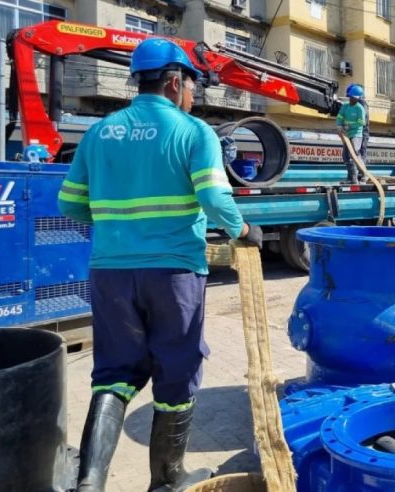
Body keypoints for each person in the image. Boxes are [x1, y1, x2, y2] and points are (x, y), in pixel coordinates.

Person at [57, 38, 262, 491]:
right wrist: (244, 231)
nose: (193, 96)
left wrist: (118, 224)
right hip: (173, 274)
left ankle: (89, 484)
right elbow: (213, 197)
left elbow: (69, 204)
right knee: (177, 372)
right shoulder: (193, 132)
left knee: (114, 374)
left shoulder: (100, 132)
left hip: (110, 272)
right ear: (174, 81)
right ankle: (165, 482)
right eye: (192, 86)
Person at [336, 84, 366, 184]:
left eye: (354, 98)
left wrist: (349, 126)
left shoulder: (360, 109)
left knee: (354, 154)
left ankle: (362, 176)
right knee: (345, 156)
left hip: (356, 134)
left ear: (358, 98)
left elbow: (361, 122)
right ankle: (351, 177)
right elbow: (340, 117)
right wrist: (339, 126)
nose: (352, 100)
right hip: (347, 134)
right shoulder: (345, 106)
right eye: (351, 97)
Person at [347, 83, 370, 181]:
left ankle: (363, 174)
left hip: (361, 133)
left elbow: (361, 120)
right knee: (351, 154)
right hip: (354, 132)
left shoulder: (362, 104)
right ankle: (353, 176)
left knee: (359, 153)